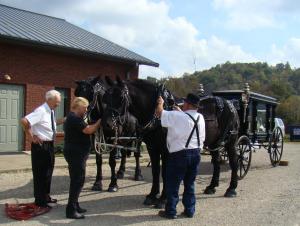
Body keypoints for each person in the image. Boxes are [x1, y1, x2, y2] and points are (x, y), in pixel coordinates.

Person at [155, 93, 205, 219]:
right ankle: (189, 210)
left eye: (185, 103)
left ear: (188, 104)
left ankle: (171, 211)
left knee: (173, 184)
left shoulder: (177, 116)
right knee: (190, 184)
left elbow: (160, 113)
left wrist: (160, 103)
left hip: (179, 155)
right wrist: (179, 112)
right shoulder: (200, 117)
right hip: (196, 153)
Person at [21, 90, 63, 209]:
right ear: (49, 99)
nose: (58, 104)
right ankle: (40, 201)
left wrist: (65, 119)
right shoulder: (41, 111)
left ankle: (46, 196)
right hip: (40, 146)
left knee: (48, 172)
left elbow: (51, 124)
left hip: (49, 145)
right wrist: (31, 137)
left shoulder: (50, 111)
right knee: (40, 173)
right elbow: (24, 121)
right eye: (57, 102)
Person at [63, 97, 101, 219]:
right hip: (76, 153)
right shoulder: (74, 119)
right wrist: (100, 121)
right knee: (77, 181)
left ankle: (75, 204)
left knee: (78, 179)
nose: (86, 110)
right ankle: (71, 210)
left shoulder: (74, 117)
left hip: (76, 152)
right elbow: (89, 130)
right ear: (79, 106)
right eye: (85, 108)